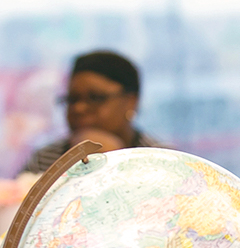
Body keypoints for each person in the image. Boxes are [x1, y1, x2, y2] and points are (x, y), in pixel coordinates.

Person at [22, 50, 164, 173]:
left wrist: (114, 160)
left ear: (131, 102)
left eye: (95, 98)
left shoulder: (163, 161)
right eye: (72, 99)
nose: (79, 108)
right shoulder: (47, 160)